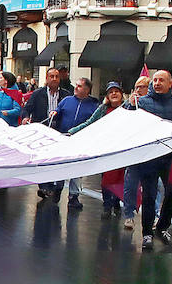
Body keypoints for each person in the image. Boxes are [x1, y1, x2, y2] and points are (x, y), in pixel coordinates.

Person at [123, 70, 172, 251]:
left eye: (161, 80)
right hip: (149, 157)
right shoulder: (142, 103)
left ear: (170, 83)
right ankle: (147, 234)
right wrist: (129, 105)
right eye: (155, 80)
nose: (157, 83)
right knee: (149, 196)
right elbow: (128, 121)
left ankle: (162, 227)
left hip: (170, 157)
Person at [70, 81, 127, 214]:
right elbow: (90, 123)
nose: (114, 94)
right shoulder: (102, 109)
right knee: (106, 178)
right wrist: (73, 131)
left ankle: (117, 202)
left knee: (120, 177)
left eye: (116, 91)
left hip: (123, 148)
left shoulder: (128, 108)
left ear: (121, 94)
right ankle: (107, 205)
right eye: (111, 92)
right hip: (106, 149)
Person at [55, 76, 99, 210]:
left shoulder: (94, 105)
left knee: (77, 168)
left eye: (79, 86)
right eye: (76, 85)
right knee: (61, 164)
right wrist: (54, 113)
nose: (76, 88)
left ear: (87, 90)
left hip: (81, 140)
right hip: (64, 137)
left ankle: (73, 196)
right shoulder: (67, 100)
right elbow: (58, 111)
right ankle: (58, 187)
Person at [24, 67, 67, 200]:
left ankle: (57, 187)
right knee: (43, 160)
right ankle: (44, 186)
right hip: (42, 132)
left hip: (59, 132)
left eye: (57, 76)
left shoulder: (66, 95)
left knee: (58, 161)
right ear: (47, 78)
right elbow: (27, 109)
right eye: (52, 76)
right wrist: (25, 117)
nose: (54, 79)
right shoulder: (37, 94)